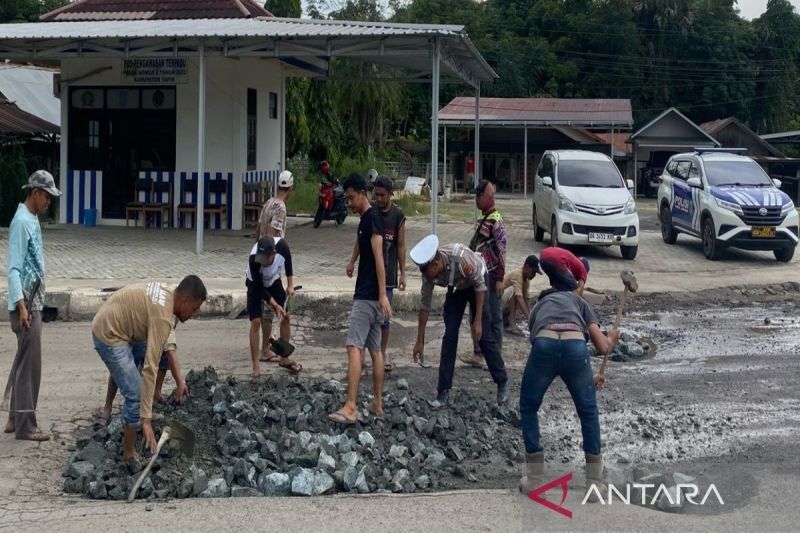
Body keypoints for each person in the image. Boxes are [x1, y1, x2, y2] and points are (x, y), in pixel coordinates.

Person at [517, 264, 619, 500]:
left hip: (544, 346)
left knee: (529, 405)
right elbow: (602, 346)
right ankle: (594, 483)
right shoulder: (580, 303)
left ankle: (533, 478)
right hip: (575, 349)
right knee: (588, 411)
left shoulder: (540, 305)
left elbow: (543, 344)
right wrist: (612, 338)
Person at [92, 276, 206, 460]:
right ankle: (128, 452)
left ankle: (143, 411)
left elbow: (168, 346)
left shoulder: (171, 296)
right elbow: (150, 368)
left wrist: (180, 381)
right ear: (185, 301)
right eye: (193, 309)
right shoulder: (163, 314)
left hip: (121, 323)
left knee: (136, 366)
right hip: (109, 333)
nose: (193, 314)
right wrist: (145, 421)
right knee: (135, 393)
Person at [410, 235, 509, 405]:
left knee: (483, 336)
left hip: (478, 284)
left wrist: (477, 321)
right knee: (449, 336)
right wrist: (420, 341)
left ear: (435, 264)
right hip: (457, 286)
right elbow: (424, 306)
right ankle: (443, 390)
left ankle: (502, 382)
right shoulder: (428, 273)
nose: (427, 278)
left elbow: (479, 286)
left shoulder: (462, 259)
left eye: (428, 273)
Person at [329, 173, 392, 425]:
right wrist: (352, 261)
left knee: (353, 346)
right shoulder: (366, 221)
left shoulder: (373, 219)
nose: (349, 203)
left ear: (361, 193)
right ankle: (377, 403)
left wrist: (382, 295)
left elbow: (379, 258)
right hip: (373, 297)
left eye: (351, 198)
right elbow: (361, 242)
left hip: (368, 296)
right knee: (375, 350)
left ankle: (351, 406)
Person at [3, 170, 61, 441]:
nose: (49, 202)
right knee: (30, 366)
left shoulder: (32, 219)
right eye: (47, 197)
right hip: (26, 303)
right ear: (35, 193)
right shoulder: (21, 223)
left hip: (32, 299)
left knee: (24, 361)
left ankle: (15, 418)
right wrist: (22, 306)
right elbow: (13, 269)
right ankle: (26, 426)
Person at [347, 175, 406, 373]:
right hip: (369, 279)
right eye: (376, 194)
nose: (379, 199)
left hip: (386, 278)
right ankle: (368, 358)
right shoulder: (370, 214)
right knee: (369, 327)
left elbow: (399, 246)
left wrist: (402, 274)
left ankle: (381, 352)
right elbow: (360, 239)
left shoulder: (396, 215)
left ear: (391, 194)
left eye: (382, 195)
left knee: (383, 321)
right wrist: (352, 261)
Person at [462, 179, 507, 368]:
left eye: (479, 196)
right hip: (480, 276)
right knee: (478, 314)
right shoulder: (485, 218)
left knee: (492, 316)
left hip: (490, 276)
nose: (476, 200)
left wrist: (499, 279)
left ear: (488, 197)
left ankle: (493, 356)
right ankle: (479, 353)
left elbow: (501, 250)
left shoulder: (495, 220)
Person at [101, 328, 187, 423]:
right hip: (137, 328)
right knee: (124, 365)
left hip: (154, 330)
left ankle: (153, 396)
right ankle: (110, 408)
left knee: (162, 357)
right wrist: (179, 382)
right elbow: (170, 348)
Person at [246, 235, 301, 376]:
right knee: (256, 321)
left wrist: (290, 285)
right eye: (261, 259)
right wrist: (275, 304)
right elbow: (259, 287)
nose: (262, 263)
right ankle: (256, 366)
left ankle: (284, 357)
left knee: (286, 316)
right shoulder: (254, 259)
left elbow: (288, 262)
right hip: (255, 283)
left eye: (266, 260)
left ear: (274, 254)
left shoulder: (283, 247)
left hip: (273, 279)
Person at [502, 254, 543, 332]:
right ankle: (512, 323)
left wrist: (531, 319)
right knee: (515, 291)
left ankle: (507, 318)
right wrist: (529, 318)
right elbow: (519, 298)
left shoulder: (526, 281)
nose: (534, 275)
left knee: (521, 297)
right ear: (527, 267)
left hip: (504, 305)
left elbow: (526, 300)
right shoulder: (517, 274)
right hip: (497, 303)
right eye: (533, 271)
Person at [258, 170, 293, 239]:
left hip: (260, 246)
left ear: (278, 185)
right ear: (291, 188)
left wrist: (257, 247)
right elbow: (271, 237)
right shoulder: (281, 208)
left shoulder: (268, 202)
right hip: (270, 248)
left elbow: (258, 228)